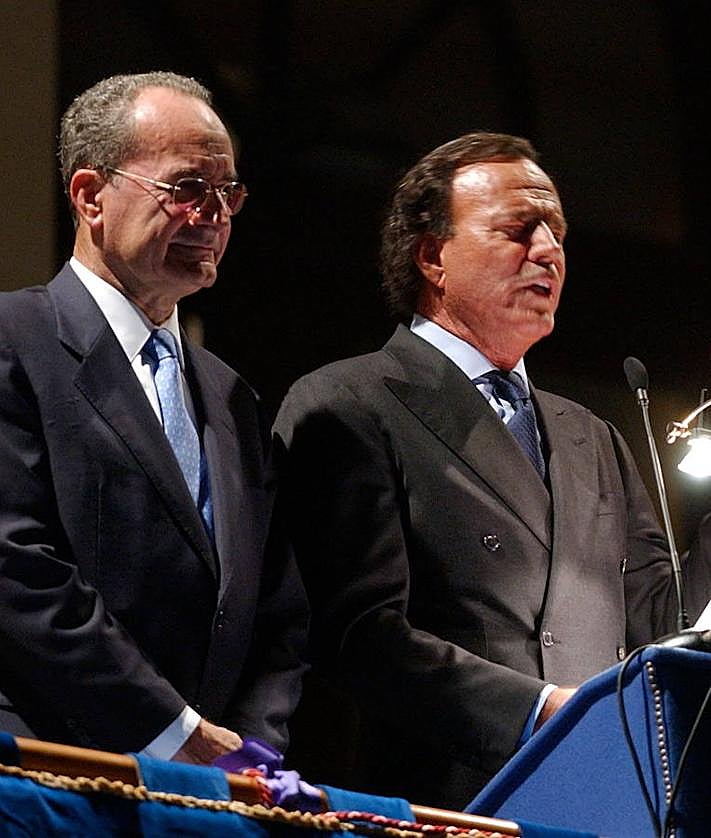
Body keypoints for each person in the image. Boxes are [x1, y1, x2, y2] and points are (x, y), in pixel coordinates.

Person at [273, 131, 711, 808]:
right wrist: (538, 712)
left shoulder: (590, 435)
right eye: (517, 229)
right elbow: (355, 635)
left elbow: (662, 626)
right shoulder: (346, 403)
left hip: (602, 802)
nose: (547, 250)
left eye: (556, 232)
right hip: (440, 802)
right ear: (431, 256)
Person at [0, 71, 307, 764]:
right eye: (187, 189)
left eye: (227, 194)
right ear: (90, 196)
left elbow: (276, 612)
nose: (215, 216)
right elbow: (17, 567)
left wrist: (249, 755)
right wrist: (172, 733)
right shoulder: (14, 341)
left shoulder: (232, 395)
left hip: (217, 791)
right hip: (55, 769)